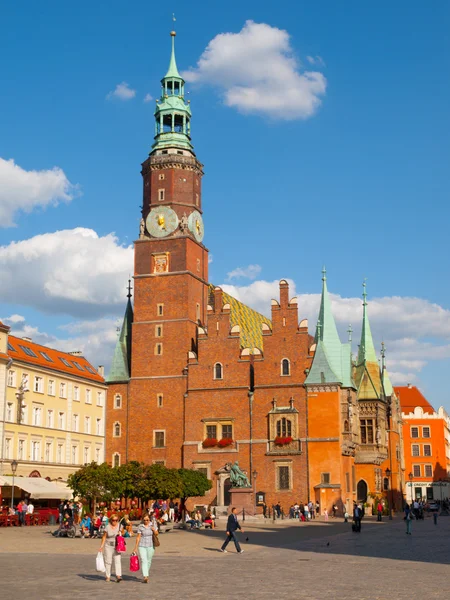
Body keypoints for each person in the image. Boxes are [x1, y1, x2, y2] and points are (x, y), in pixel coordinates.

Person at [99, 514, 124, 583]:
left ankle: (118, 575)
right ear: (111, 520)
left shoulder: (119, 526)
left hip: (117, 545)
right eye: (113, 520)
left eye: (116, 520)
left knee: (117, 560)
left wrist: (121, 533)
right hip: (108, 545)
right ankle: (108, 576)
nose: (115, 522)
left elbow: (123, 533)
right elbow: (104, 537)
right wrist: (101, 546)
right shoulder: (107, 527)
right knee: (108, 561)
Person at [133, 514, 158, 583]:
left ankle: (146, 573)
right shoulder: (141, 526)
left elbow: (157, 533)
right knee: (144, 560)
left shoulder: (152, 525)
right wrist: (135, 547)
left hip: (151, 545)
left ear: (149, 519)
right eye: (144, 520)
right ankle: (145, 576)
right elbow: (138, 537)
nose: (146, 521)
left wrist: (153, 530)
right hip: (142, 545)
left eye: (147, 520)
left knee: (149, 560)